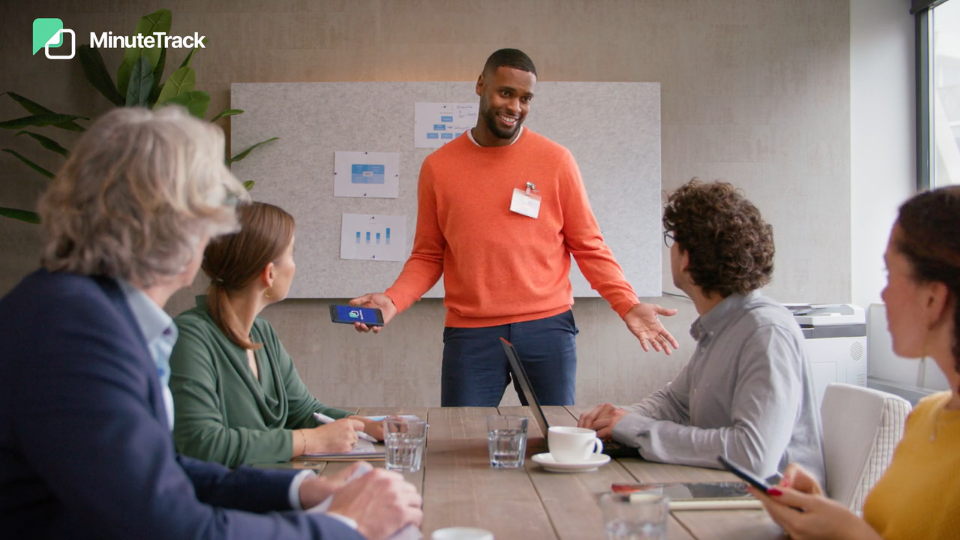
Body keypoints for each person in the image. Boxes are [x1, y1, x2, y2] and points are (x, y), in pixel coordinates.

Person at [0, 107, 421, 540]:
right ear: (174, 223)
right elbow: (168, 525)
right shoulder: (74, 333)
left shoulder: (84, 311)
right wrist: (345, 526)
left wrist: (301, 490)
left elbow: (167, 472)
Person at [349, 48, 679, 407]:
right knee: (462, 436)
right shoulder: (438, 167)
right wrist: (392, 299)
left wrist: (627, 305)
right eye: (505, 93)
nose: (515, 107)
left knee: (554, 435)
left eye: (525, 98)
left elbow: (588, 246)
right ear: (481, 85)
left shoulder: (556, 160)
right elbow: (428, 255)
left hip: (547, 329)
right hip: (471, 334)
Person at [578, 179, 825, 484]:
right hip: (726, 490)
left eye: (674, 240)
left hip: (771, 504)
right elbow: (674, 402)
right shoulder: (723, 325)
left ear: (687, 259)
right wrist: (618, 418)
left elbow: (754, 455)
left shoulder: (766, 332)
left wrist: (635, 428)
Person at [750, 185, 960, 540]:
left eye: (889, 274)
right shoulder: (927, 414)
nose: (883, 294)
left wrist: (848, 533)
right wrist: (823, 514)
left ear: (933, 298)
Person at [170, 201, 383, 467]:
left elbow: (304, 411)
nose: (295, 265)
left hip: (269, 480)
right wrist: (310, 440)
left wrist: (367, 425)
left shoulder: (262, 332)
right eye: (292, 254)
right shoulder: (189, 337)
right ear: (269, 273)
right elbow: (202, 444)